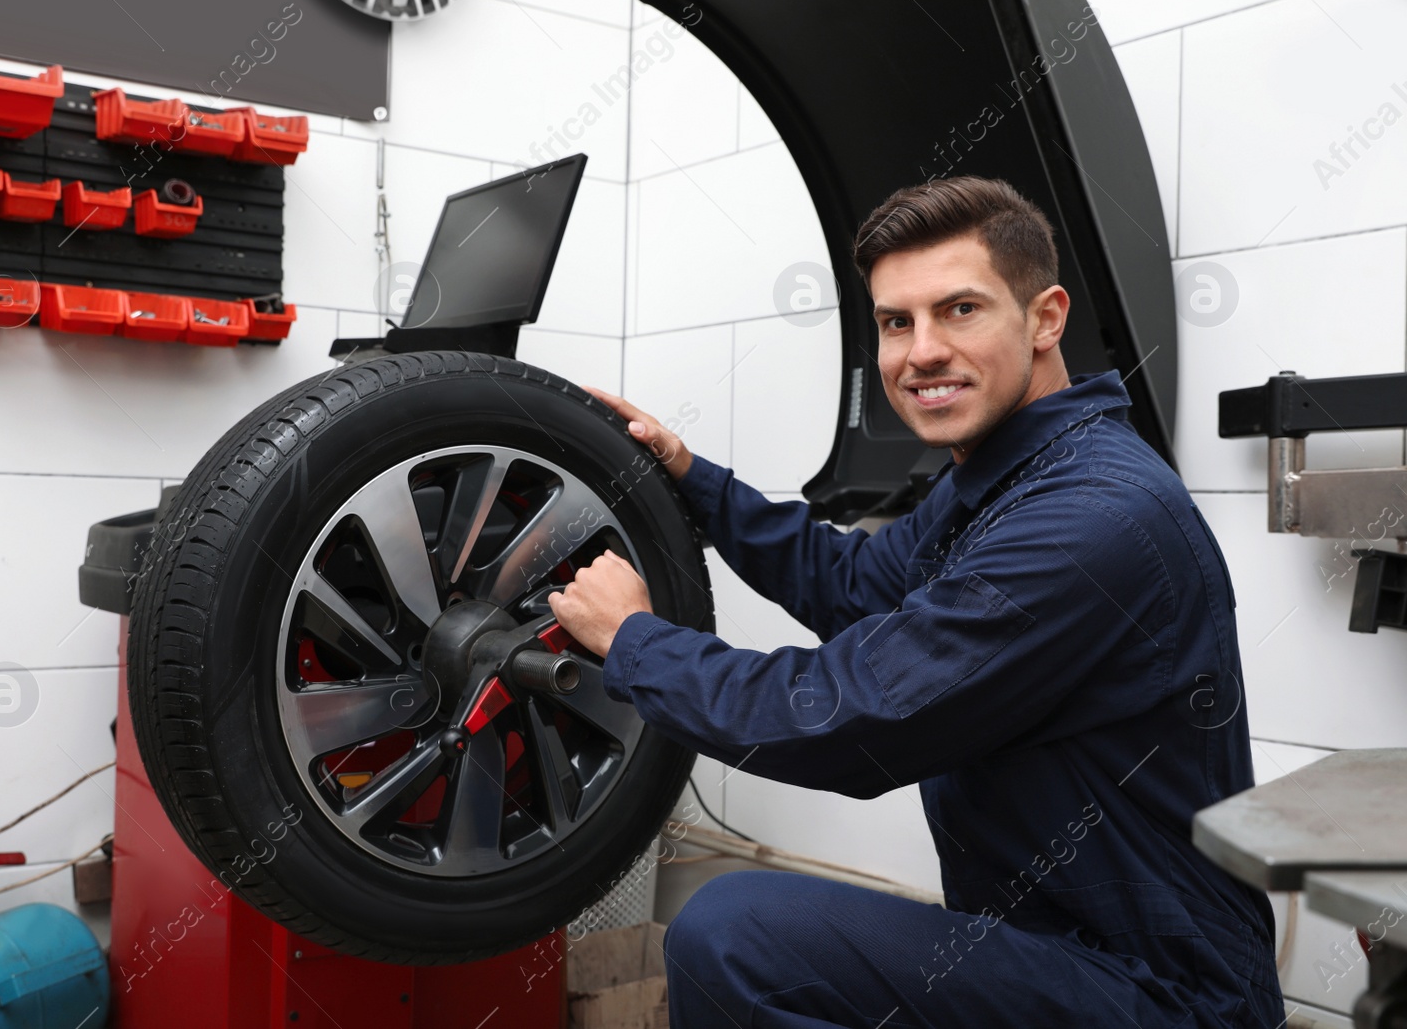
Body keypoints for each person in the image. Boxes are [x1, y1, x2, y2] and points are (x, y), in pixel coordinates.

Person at [547, 177, 1283, 1028]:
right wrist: (693, 478)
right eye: (897, 322)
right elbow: (853, 584)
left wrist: (635, 641)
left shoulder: (1090, 518)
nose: (921, 351)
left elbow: (849, 717)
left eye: (960, 309)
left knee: (732, 932)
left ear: (1045, 318)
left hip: (1160, 996)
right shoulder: (1004, 474)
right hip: (1049, 950)